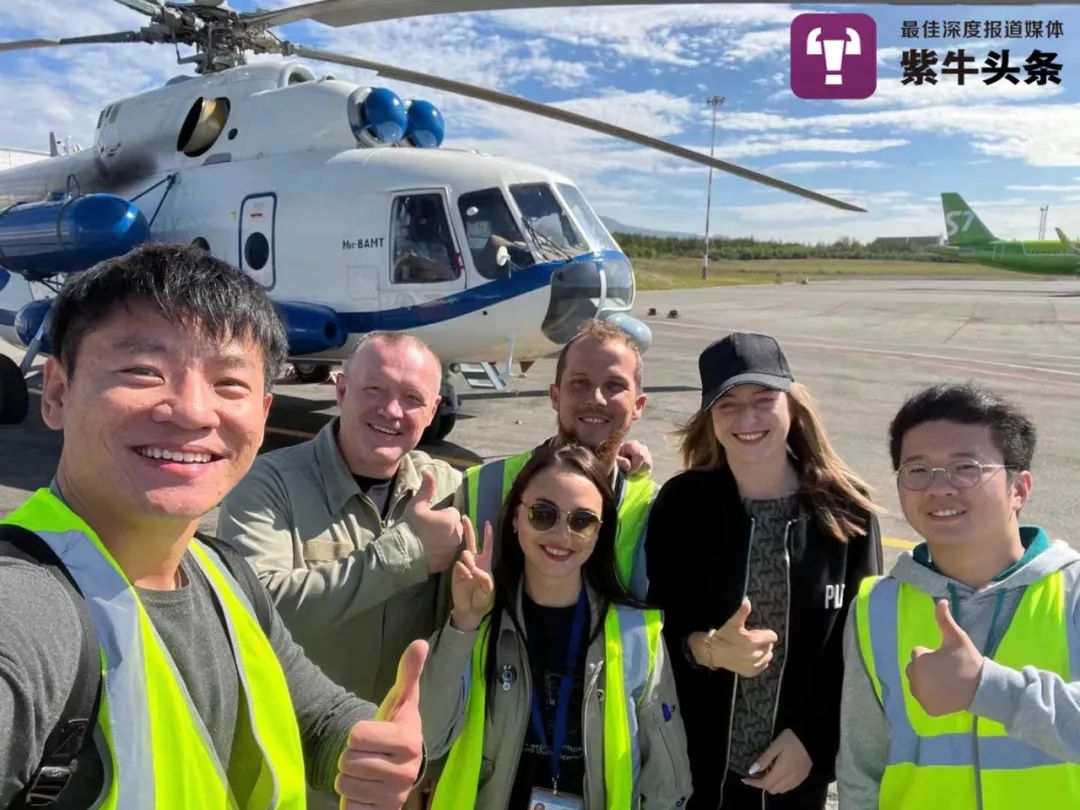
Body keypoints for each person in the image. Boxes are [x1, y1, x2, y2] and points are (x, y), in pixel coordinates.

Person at [0, 244, 424, 808]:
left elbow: (313, 713)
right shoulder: (27, 605)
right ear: (57, 392)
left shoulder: (224, 574)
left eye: (229, 384)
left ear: (262, 415)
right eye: (143, 371)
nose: (193, 411)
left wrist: (366, 745)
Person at [645, 332, 882, 809]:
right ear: (710, 417)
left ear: (792, 404)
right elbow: (652, 630)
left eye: (763, 400)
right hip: (691, 771)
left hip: (793, 777)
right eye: (728, 404)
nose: (747, 419)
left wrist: (815, 741)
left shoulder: (847, 510)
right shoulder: (682, 503)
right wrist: (709, 649)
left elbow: (861, 652)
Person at [838, 383, 1080, 809]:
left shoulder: (1072, 591)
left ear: (1019, 489)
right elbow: (862, 768)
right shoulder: (876, 608)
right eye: (917, 471)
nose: (938, 487)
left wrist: (987, 688)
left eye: (965, 468)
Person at [420, 444, 692, 809]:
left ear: (600, 532)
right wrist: (463, 623)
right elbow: (429, 738)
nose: (562, 534)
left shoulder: (637, 634)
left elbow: (666, 784)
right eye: (543, 514)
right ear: (515, 519)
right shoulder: (478, 621)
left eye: (582, 521)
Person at [218, 331, 461, 706]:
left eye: (412, 398)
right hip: (302, 731)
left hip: (407, 734)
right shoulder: (267, 485)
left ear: (433, 411)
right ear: (342, 390)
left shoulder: (449, 488)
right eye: (374, 389)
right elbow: (258, 613)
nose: (391, 410)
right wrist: (408, 553)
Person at [461, 320, 655, 598]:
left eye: (614, 385)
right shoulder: (479, 490)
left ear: (638, 406)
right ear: (555, 396)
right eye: (580, 383)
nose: (596, 399)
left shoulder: (654, 508)